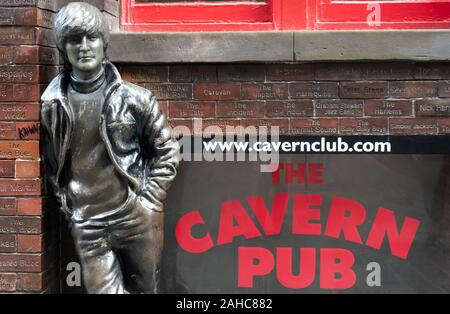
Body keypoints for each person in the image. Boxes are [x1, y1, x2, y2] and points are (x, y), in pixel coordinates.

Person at [40, 2, 180, 294]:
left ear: (104, 43)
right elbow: (52, 162)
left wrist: (148, 201)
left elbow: (166, 150)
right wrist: (68, 204)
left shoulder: (135, 99)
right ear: (63, 48)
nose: (84, 46)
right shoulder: (52, 105)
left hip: (134, 215)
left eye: (91, 37)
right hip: (87, 222)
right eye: (74, 40)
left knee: (147, 290)